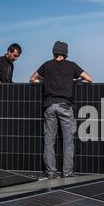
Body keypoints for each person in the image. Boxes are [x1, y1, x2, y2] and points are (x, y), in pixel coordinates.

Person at [30, 41, 92, 179]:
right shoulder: (72, 66)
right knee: (68, 142)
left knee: (49, 142)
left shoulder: (47, 65)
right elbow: (89, 79)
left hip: (50, 106)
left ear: (54, 52)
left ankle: (51, 173)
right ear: (65, 53)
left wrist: (44, 81)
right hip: (65, 106)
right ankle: (67, 173)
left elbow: (32, 79)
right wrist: (74, 81)